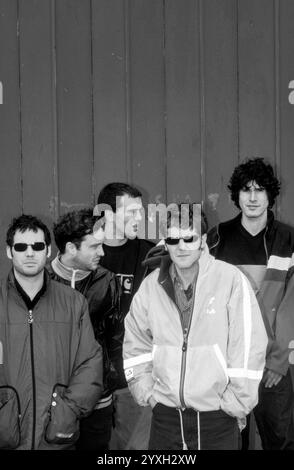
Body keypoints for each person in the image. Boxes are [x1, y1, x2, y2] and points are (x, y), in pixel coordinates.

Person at [123, 203, 267, 450]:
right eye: (173, 239)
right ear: (165, 242)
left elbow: (249, 347)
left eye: (189, 238)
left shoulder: (231, 280)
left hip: (218, 416)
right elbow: (136, 343)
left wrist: (234, 404)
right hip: (165, 417)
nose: (181, 246)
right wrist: (147, 393)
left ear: (202, 240)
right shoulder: (150, 286)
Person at [207, 157, 294, 450]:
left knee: (281, 442)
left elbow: (291, 307)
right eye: (246, 190)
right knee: (230, 443)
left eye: (260, 190)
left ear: (270, 195)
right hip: (228, 367)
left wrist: (278, 362)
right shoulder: (216, 239)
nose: (253, 197)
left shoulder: (288, 240)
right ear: (237, 195)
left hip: (272, 367)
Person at [0, 215, 102, 450]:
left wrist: (68, 410)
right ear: (9, 251)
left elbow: (90, 363)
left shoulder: (73, 303)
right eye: (20, 246)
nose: (29, 253)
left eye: (37, 246)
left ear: (47, 251)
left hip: (57, 437)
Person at [49, 209, 123, 451]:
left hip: (97, 401)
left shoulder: (107, 281)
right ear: (71, 248)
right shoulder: (41, 280)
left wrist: (109, 381)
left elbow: (114, 337)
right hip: (52, 399)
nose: (102, 252)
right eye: (94, 246)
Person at [96, 182, 154, 450]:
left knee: (135, 450)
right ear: (108, 215)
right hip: (90, 379)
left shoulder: (150, 255)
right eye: (131, 212)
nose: (140, 218)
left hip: (134, 375)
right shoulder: (87, 253)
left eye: (140, 212)